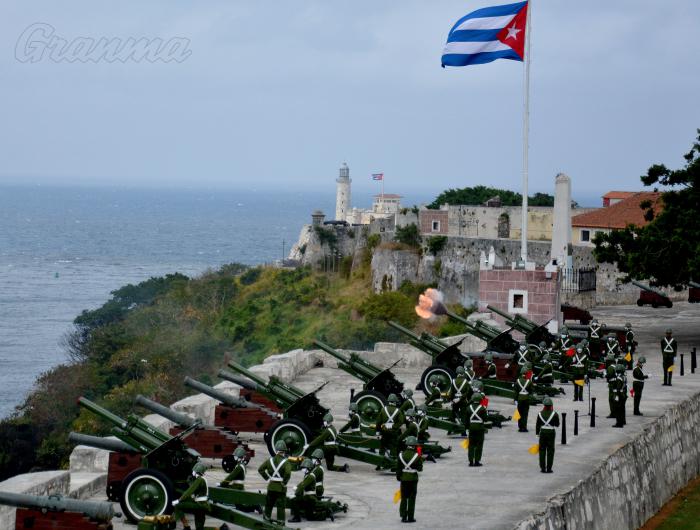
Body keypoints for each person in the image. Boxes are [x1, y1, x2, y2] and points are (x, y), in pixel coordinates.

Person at [258, 440, 292, 524]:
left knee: (269, 505)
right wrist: (284, 482)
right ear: (284, 451)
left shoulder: (270, 460)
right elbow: (288, 473)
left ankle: (266, 521)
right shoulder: (286, 462)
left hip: (271, 486)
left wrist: (267, 478)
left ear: (276, 450)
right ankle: (280, 523)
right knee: (280, 507)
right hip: (280, 488)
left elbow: (260, 469)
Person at [172, 461, 213, 530]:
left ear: (197, 471)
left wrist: (179, 500)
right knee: (199, 528)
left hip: (200, 505)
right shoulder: (203, 479)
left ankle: (186, 527)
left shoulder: (199, 480)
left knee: (177, 506)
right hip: (203, 505)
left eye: (194, 470)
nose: (192, 472)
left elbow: (189, 491)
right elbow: (195, 491)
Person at [396, 436, 423, 524]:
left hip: (403, 479)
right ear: (414, 445)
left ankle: (403, 517)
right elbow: (420, 469)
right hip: (413, 479)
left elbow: (398, 468)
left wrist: (399, 477)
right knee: (412, 498)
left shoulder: (400, 455)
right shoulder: (417, 456)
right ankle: (411, 517)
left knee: (404, 498)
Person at [289, 457, 324, 523]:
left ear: (308, 468)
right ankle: (324, 514)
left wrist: (296, 493)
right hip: (309, 498)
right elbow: (302, 484)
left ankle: (297, 518)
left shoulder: (310, 476)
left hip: (310, 498)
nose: (302, 469)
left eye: (304, 468)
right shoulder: (308, 475)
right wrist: (297, 487)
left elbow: (303, 485)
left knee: (295, 500)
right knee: (310, 517)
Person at [376, 393, 405, 467]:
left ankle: (379, 462)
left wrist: (378, 431)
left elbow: (378, 422)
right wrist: (394, 427)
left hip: (384, 430)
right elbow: (401, 421)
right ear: (395, 401)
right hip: (393, 432)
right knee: (393, 446)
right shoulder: (398, 411)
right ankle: (393, 462)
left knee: (382, 446)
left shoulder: (383, 409)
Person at [535, 397, 560, 473]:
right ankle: (549, 468)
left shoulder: (540, 414)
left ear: (544, 405)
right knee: (550, 450)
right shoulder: (554, 414)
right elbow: (557, 424)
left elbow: (537, 424)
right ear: (551, 405)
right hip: (551, 433)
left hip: (542, 432)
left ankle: (542, 468)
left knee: (542, 450)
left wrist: (537, 433)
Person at [466, 393, 488, 467]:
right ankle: (477, 461)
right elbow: (486, 419)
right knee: (479, 445)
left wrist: (467, 428)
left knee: (471, 445)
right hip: (480, 428)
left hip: (471, 428)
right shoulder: (482, 408)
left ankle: (471, 461)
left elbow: (466, 420)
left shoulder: (468, 407)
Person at [514, 366, 533, 432]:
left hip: (519, 398)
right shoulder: (529, 382)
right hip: (526, 399)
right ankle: (524, 427)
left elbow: (516, 392)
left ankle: (520, 427)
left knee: (519, 413)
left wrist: (515, 400)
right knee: (525, 414)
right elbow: (531, 391)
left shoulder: (517, 381)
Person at [611, 364, 627, 428]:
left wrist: (616, 396)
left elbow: (618, 388)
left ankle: (619, 423)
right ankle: (623, 421)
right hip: (623, 394)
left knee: (618, 410)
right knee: (622, 409)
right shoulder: (624, 377)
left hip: (619, 395)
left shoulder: (619, 378)